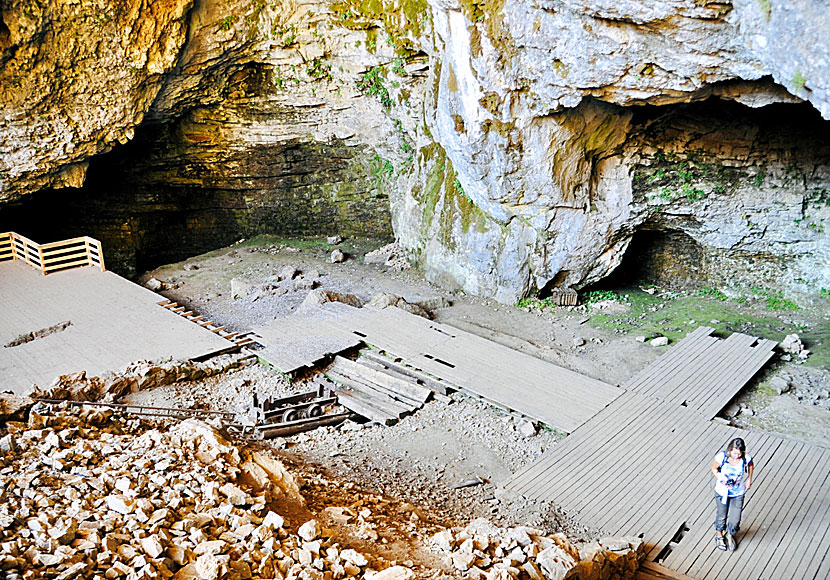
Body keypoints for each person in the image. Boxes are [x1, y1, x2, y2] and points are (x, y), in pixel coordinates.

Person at [711, 437, 754, 552]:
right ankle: (719, 534)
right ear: (730, 450)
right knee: (721, 514)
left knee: (735, 518)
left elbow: (750, 465)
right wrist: (721, 478)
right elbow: (714, 468)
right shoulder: (722, 457)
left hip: (737, 492)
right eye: (734, 453)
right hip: (722, 491)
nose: (736, 456)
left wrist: (749, 479)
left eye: (739, 454)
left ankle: (730, 534)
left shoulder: (745, 458)